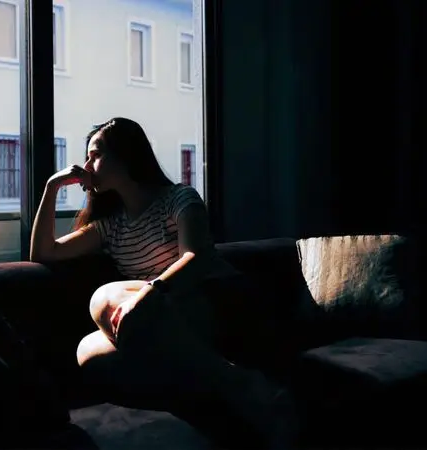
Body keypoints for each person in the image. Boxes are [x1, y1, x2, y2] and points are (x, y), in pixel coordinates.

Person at [29, 117, 297, 448]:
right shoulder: (110, 226)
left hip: (216, 300)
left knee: (103, 298)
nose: (86, 166)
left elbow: (194, 257)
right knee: (89, 352)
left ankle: (243, 386)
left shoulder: (179, 198)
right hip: (164, 321)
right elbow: (44, 252)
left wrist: (151, 292)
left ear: (126, 155)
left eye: (95, 154)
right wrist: (51, 187)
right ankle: (233, 387)